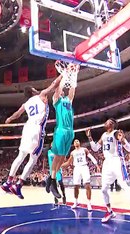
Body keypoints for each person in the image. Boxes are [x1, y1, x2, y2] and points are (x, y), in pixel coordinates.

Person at [2, 74, 62, 199]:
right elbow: (53, 85)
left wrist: (8, 119)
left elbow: (17, 114)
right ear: (33, 91)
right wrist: (62, 75)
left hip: (27, 127)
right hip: (36, 128)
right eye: (34, 89)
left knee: (20, 156)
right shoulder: (41, 95)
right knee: (33, 159)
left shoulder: (26, 103)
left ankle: (8, 182)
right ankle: (19, 184)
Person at [86, 119, 130, 224]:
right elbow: (95, 148)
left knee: (123, 185)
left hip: (116, 161)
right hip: (107, 163)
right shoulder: (103, 135)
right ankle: (110, 211)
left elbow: (129, 149)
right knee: (103, 189)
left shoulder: (116, 133)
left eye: (107, 121)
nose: (105, 122)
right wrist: (89, 137)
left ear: (111, 124)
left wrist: (123, 140)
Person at [46, 64, 77, 199]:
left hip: (70, 131)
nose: (62, 91)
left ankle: (50, 179)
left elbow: (72, 91)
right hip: (60, 130)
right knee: (58, 156)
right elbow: (59, 88)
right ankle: (53, 182)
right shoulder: (56, 100)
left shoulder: (68, 101)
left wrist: (74, 75)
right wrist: (64, 73)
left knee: (62, 158)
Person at [62, 139, 99, 211]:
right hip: (77, 168)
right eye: (75, 141)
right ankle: (75, 202)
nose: (76, 142)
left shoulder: (84, 149)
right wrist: (60, 165)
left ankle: (89, 203)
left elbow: (91, 157)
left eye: (77, 141)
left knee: (87, 185)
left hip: (84, 167)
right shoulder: (72, 153)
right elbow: (69, 162)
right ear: (73, 144)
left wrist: (96, 164)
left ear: (80, 143)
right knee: (76, 186)